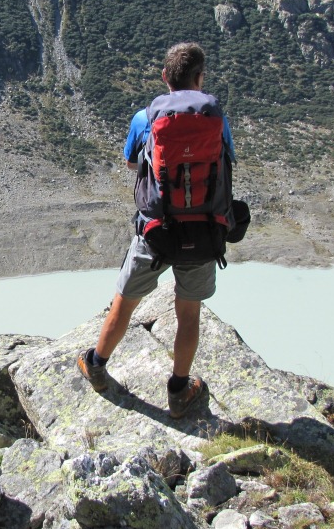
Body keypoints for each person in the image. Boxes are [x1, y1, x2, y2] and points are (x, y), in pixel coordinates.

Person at [77, 42, 236, 418]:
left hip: (155, 231)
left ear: (165, 77)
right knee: (189, 313)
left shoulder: (144, 118)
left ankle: (96, 365)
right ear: (200, 78)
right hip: (203, 232)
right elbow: (227, 160)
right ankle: (179, 392)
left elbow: (132, 163)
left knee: (124, 302)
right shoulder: (217, 118)